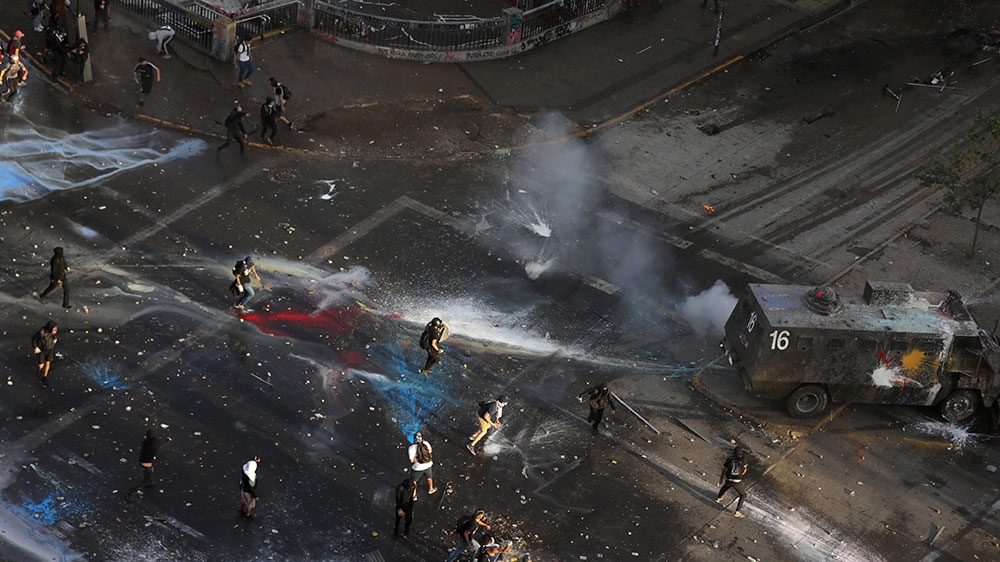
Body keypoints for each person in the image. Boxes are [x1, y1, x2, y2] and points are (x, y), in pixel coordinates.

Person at [126, 429, 171, 501]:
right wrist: (167, 440)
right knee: (146, 478)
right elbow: (163, 443)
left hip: (142, 461)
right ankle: (132, 491)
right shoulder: (155, 442)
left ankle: (149, 481)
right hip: (147, 463)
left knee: (149, 472)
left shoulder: (145, 442)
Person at [716, 446, 749, 518]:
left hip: (728, 478)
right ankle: (737, 511)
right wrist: (741, 474)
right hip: (737, 481)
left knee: (725, 486)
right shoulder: (743, 459)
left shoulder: (730, 458)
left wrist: (721, 479)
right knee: (743, 495)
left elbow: (724, 469)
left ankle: (719, 498)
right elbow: (745, 470)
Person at [408, 432, 437, 500]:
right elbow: (430, 451)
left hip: (418, 468)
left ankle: (414, 496)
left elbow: (411, 461)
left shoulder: (411, 448)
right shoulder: (426, 443)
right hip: (428, 464)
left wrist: (416, 459)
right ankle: (431, 489)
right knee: (429, 477)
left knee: (413, 481)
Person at [31, 321, 58, 386]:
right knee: (41, 364)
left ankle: (44, 377)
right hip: (42, 350)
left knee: (48, 363)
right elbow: (34, 339)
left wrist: (55, 339)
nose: (55, 330)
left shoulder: (52, 332)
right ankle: (39, 371)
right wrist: (35, 347)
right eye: (53, 328)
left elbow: (54, 335)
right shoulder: (42, 332)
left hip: (50, 349)